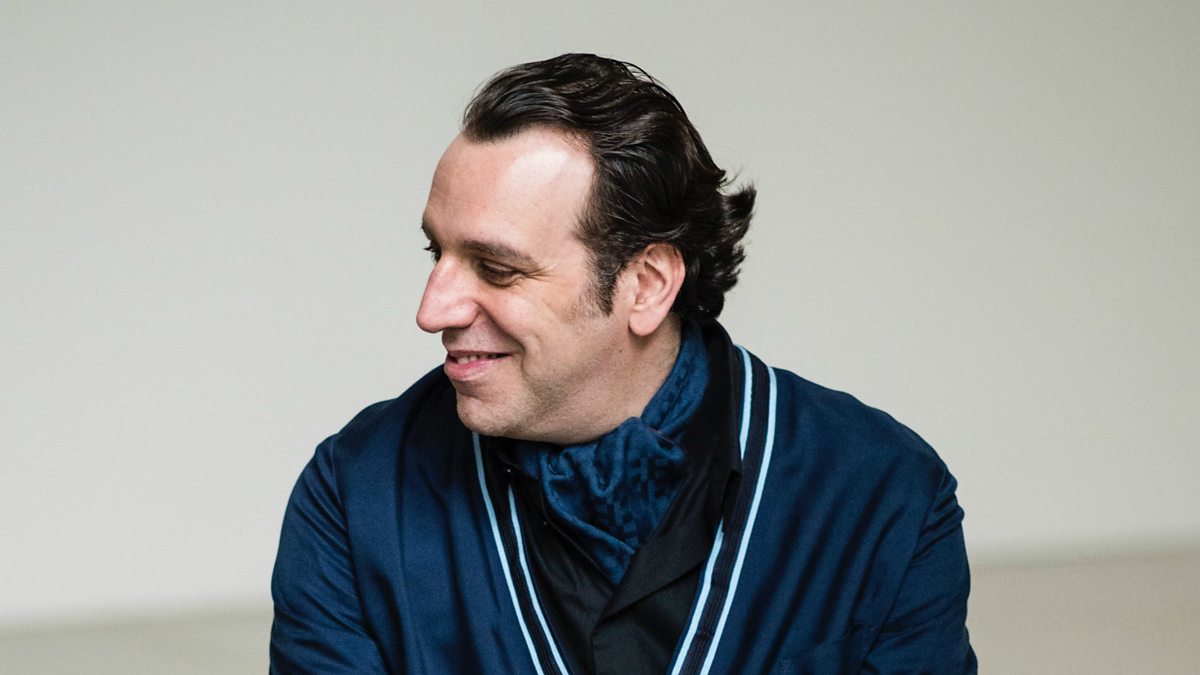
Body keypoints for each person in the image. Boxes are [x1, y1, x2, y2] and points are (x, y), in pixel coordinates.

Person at [270, 53, 977, 674]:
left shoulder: (882, 493)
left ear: (646, 285)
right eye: (438, 253)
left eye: (497, 267)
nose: (433, 309)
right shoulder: (355, 495)